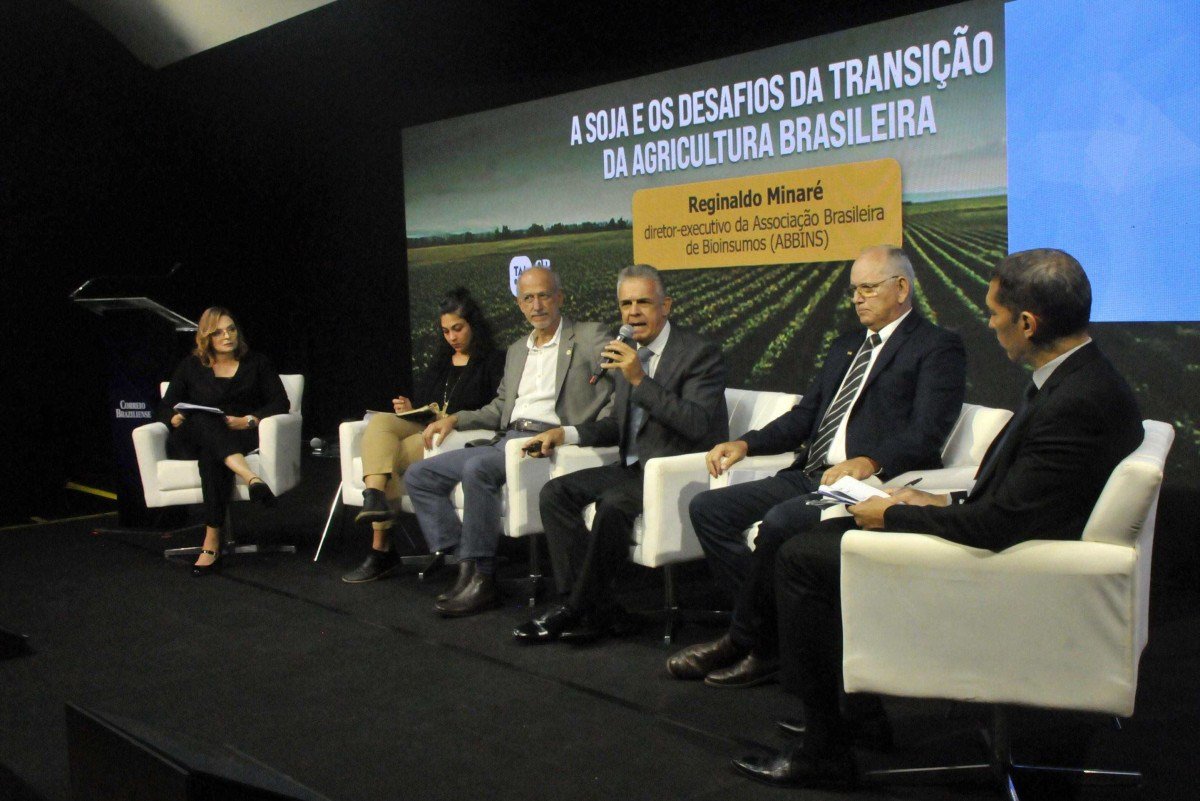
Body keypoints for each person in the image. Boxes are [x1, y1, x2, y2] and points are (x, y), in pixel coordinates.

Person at [734, 248, 1143, 788]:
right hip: (1024, 552)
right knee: (823, 536)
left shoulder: (1076, 400)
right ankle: (853, 715)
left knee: (802, 558)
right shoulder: (1083, 377)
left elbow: (998, 526)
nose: (990, 323)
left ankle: (825, 748)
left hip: (1015, 577)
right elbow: (1022, 500)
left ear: (1027, 322)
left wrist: (897, 512)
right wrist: (941, 503)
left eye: (996, 313)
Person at [667, 245, 966, 688]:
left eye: (867, 288)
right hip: (811, 471)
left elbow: (928, 432)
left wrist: (869, 460)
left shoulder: (936, 347)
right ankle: (766, 637)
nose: (857, 299)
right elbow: (806, 417)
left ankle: (745, 641)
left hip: (874, 483)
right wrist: (746, 443)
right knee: (708, 510)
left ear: (901, 288)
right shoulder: (847, 346)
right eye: (853, 291)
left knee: (780, 522)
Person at [514, 264, 728, 643]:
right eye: (626, 304)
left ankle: (574, 610)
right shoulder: (630, 352)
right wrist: (566, 433)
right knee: (555, 493)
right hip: (634, 468)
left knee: (613, 504)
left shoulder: (698, 354)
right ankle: (595, 608)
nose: (633, 313)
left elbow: (696, 424)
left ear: (666, 306)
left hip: (680, 469)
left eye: (643, 302)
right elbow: (619, 426)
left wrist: (638, 381)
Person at [404, 266, 614, 617]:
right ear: (519, 305)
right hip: (508, 438)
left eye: (544, 295)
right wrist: (455, 418)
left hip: (546, 442)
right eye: (528, 298)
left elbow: (618, 385)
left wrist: (591, 426)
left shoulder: (590, 336)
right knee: (419, 476)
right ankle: (465, 566)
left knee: (476, 468)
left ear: (560, 297)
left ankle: (483, 579)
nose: (537, 305)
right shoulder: (518, 350)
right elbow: (501, 406)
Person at [341, 288, 505, 584]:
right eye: (446, 331)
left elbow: (493, 409)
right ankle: (374, 496)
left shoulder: (493, 361)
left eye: (458, 329)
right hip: (428, 423)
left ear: (473, 326)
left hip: (458, 432)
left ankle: (381, 549)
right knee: (381, 423)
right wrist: (411, 409)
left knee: (387, 460)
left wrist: (448, 419)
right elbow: (429, 403)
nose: (452, 337)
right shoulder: (442, 361)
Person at [159, 307, 290, 576]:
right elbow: (165, 406)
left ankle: (211, 540)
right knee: (204, 421)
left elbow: (280, 402)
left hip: (237, 435)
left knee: (212, 458)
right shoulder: (191, 366)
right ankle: (251, 477)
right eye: (218, 332)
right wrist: (172, 418)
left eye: (231, 329)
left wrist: (249, 420)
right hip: (192, 437)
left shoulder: (257, 363)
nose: (227, 336)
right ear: (206, 337)